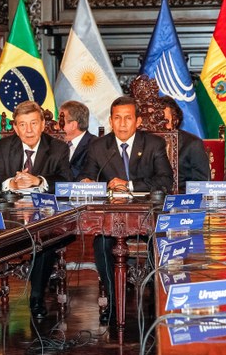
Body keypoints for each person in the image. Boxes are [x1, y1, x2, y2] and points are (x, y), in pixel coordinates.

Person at [78, 96, 173, 324]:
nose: (122, 124)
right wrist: (88, 182)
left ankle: (153, 300)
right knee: (101, 244)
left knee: (157, 242)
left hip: (148, 214)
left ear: (138, 121)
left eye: (128, 118)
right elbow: (86, 177)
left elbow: (165, 181)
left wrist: (129, 185)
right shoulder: (99, 147)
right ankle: (112, 300)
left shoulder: (153, 144)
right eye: (117, 118)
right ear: (111, 121)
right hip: (111, 215)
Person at [0, 100, 72, 319]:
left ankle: (36, 298)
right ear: (15, 128)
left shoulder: (58, 148)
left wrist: (38, 181)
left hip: (46, 215)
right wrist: (12, 184)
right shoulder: (4, 147)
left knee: (44, 239)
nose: (29, 130)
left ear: (43, 123)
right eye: (23, 125)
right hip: (10, 216)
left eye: (34, 123)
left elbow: (66, 181)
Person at [156, 95, 210, 191]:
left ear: (175, 121)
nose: (160, 126)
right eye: (156, 121)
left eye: (165, 121)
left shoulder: (192, 144)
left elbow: (202, 184)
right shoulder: (142, 142)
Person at [60, 100, 94, 178]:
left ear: (73, 125)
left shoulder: (94, 146)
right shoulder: (58, 144)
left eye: (60, 120)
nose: (56, 125)